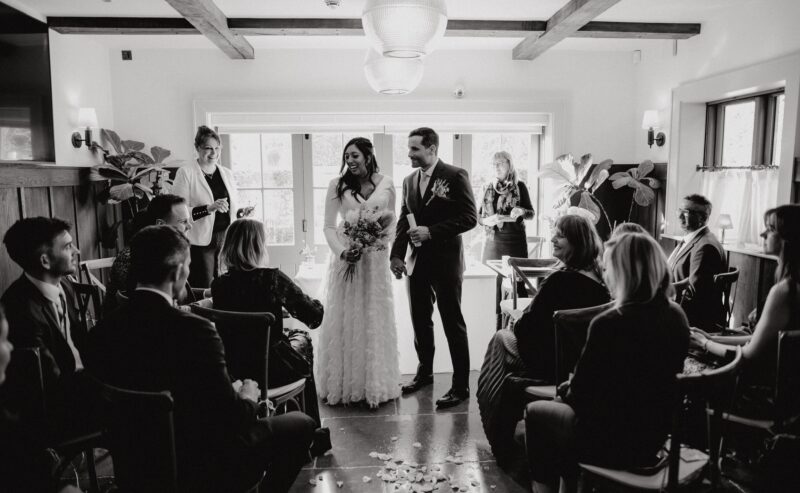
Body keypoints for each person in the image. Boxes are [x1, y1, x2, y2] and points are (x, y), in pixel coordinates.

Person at [85, 225, 315, 493]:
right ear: (179, 271)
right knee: (301, 424)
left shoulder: (100, 333)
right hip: (204, 466)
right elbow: (231, 419)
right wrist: (248, 397)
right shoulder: (196, 331)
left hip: (136, 468)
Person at [524, 232, 689, 493]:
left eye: (608, 266)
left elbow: (581, 395)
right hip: (656, 434)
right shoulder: (676, 315)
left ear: (622, 272)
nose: (604, 272)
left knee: (537, 414)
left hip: (611, 441)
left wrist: (566, 388)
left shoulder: (609, 323)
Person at [477, 214, 610, 464]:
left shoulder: (558, 281)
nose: (552, 239)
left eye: (560, 235)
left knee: (500, 338)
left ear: (577, 241)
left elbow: (526, 331)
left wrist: (518, 320)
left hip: (548, 364)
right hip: (581, 368)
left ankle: (495, 428)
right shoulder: (602, 283)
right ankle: (505, 423)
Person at [391, 127, 478, 409]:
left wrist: (433, 232)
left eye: (415, 149)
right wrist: (396, 255)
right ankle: (424, 374)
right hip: (417, 263)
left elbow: (469, 218)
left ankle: (461, 386)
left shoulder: (455, 175)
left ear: (432, 148)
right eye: (409, 148)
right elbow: (405, 219)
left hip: (446, 263)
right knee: (420, 321)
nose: (409, 154)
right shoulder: (408, 181)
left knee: (452, 322)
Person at [212, 219, 325, 431]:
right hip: (271, 370)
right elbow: (314, 317)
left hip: (233, 369)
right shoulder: (272, 279)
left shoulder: (219, 285)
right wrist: (317, 300)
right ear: (257, 246)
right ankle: (310, 429)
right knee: (302, 337)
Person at [690, 205, 800, 419]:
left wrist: (703, 344)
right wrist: (710, 337)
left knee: (690, 376)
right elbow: (759, 340)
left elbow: (749, 358)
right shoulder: (793, 287)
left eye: (770, 229)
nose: (762, 234)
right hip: (791, 393)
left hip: (765, 397)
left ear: (788, 239)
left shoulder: (785, 291)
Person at [316, 137, 401, 408]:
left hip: (375, 261)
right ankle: (345, 384)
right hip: (347, 256)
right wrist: (342, 251)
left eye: (355, 156)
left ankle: (375, 384)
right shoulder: (337, 185)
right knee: (347, 315)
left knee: (373, 316)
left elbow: (393, 221)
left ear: (368, 155)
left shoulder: (387, 183)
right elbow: (329, 226)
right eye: (347, 157)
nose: (350, 161)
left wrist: (380, 241)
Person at [1, 217, 87, 423]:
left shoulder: (64, 285)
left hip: (79, 381)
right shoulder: (21, 310)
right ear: (45, 261)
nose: (77, 252)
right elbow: (49, 381)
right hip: (55, 407)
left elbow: (79, 340)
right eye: (67, 247)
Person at [172, 125, 240, 288]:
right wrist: (208, 208)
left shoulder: (227, 173)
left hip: (226, 239)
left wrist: (241, 212)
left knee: (227, 286)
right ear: (197, 148)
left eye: (217, 148)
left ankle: (224, 314)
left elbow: (231, 208)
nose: (214, 153)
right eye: (208, 148)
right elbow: (178, 212)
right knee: (204, 286)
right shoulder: (185, 173)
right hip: (200, 241)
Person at [107, 193, 196, 306]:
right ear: (160, 224)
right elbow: (148, 305)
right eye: (183, 221)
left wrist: (206, 295)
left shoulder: (167, 251)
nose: (190, 226)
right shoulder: (134, 256)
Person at [667, 194, 726, 331]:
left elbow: (695, 296)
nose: (680, 216)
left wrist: (661, 297)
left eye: (686, 212)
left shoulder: (705, 247)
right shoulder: (695, 240)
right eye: (680, 210)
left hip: (691, 320)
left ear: (702, 218)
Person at [478, 151, 535, 262]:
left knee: (517, 278)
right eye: (494, 164)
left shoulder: (520, 186)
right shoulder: (486, 187)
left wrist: (521, 211)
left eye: (500, 163)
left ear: (510, 165)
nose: (496, 167)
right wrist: (487, 221)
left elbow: (531, 214)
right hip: (492, 242)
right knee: (492, 277)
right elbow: (479, 218)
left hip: (516, 242)